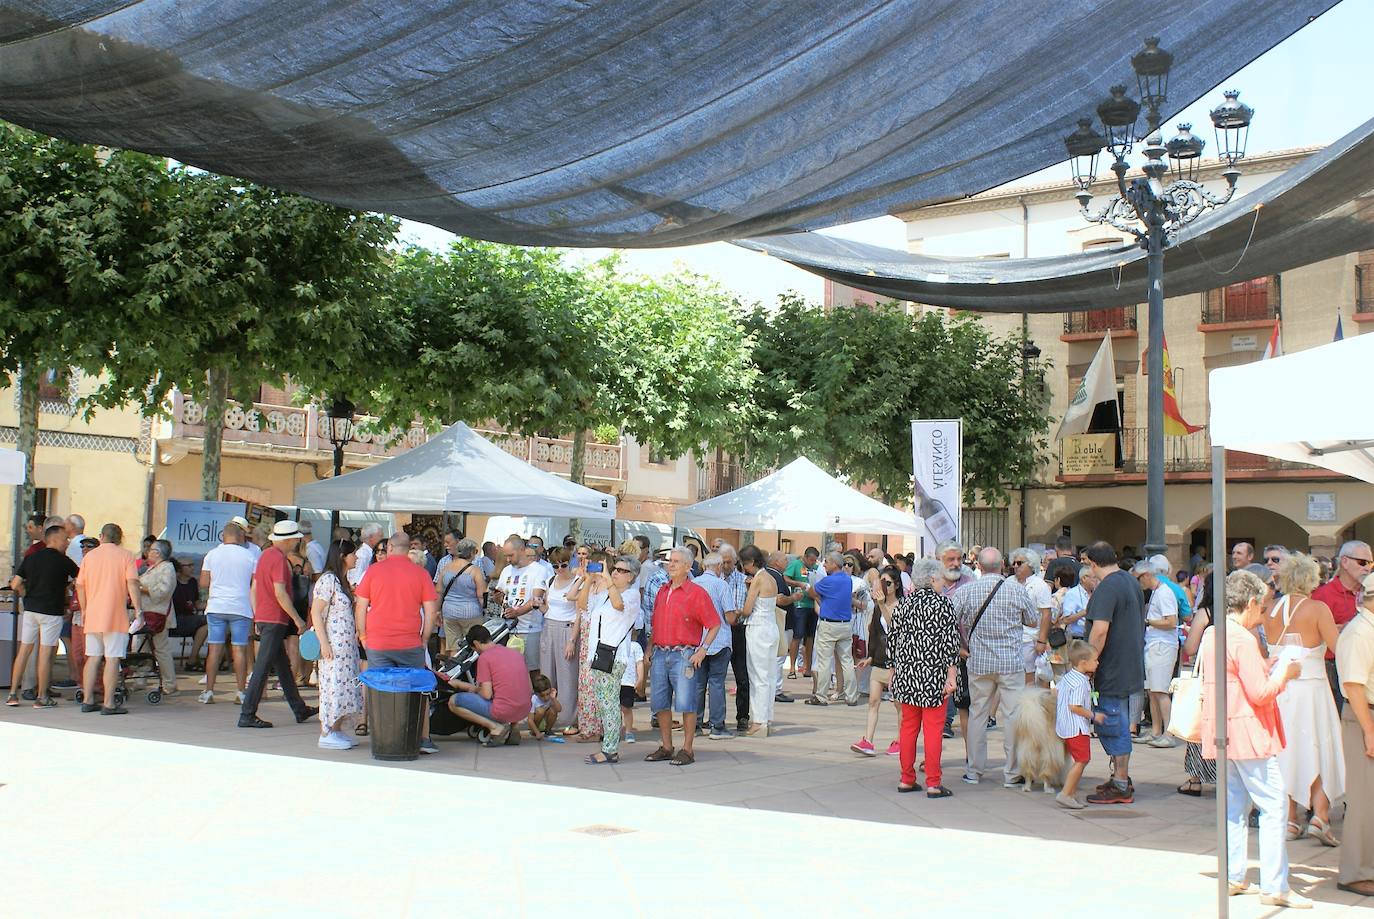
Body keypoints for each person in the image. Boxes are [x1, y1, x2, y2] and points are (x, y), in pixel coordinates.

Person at [1201, 569, 1308, 908]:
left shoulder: (1214, 633)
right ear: (1249, 603)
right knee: (1274, 804)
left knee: (1234, 805)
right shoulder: (1243, 638)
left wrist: (1267, 664)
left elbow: (1232, 678)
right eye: (1261, 607)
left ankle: (1234, 876)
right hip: (1248, 730)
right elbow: (1260, 693)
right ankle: (1275, 885)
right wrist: (1286, 674)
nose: (1262, 614)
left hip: (1224, 728)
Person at [1264, 553, 1344, 847]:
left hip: (1282, 689)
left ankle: (1290, 818)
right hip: (1312, 688)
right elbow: (1337, 648)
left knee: (1285, 751)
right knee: (1319, 748)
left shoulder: (1271, 609)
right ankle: (1320, 816)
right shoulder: (1318, 608)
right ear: (1311, 579)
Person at [953, 547, 1044, 787]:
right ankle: (1012, 772)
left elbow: (950, 621)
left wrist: (962, 647)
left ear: (979, 566)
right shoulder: (1016, 589)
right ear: (1002, 566)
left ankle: (974, 770)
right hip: (1010, 663)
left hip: (978, 661)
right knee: (1012, 716)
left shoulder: (966, 591)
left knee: (977, 714)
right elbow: (1033, 619)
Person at [353, 530, 439, 752]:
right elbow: (431, 612)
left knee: (381, 690)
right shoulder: (420, 574)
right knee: (417, 689)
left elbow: (360, 606)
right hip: (410, 642)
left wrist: (363, 635)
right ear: (410, 548)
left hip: (378, 642)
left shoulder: (373, 571)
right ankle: (423, 738)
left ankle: (385, 738)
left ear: (389, 548)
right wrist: (424, 638)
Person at [889, 558, 960, 798]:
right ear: (931, 579)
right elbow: (951, 644)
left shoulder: (903, 605)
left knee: (908, 728)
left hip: (907, 675)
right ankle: (933, 782)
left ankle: (906, 779)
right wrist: (952, 675)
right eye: (940, 578)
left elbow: (893, 642)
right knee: (932, 730)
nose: (943, 583)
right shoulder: (943, 605)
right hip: (933, 676)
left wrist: (893, 673)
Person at [644, 546, 721, 767]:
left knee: (687, 703)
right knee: (660, 703)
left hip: (684, 653)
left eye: (677, 561)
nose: (671, 564)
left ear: (688, 567)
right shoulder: (663, 590)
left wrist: (702, 649)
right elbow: (656, 623)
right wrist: (650, 648)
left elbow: (714, 624)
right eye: (671, 561)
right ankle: (667, 747)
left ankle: (687, 749)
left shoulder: (696, 593)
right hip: (660, 651)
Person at [1082, 541, 1144, 805]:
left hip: (1112, 666)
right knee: (1115, 719)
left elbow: (1100, 630)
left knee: (1111, 721)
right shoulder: (1130, 582)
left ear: (1092, 564)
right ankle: (1119, 777)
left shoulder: (1107, 587)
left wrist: (1089, 662)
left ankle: (1120, 781)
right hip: (1129, 662)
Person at [238, 521, 317, 730]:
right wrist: (298, 620)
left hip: (266, 617)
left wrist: (257, 616)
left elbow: (254, 588)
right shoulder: (280, 560)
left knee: (282, 667)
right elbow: (280, 593)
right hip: (274, 619)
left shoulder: (265, 556)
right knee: (262, 668)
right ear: (289, 540)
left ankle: (299, 709)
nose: (297, 541)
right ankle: (247, 713)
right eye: (295, 538)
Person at [7, 523, 80, 708]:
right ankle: (42, 697)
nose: (67, 542)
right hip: (51, 612)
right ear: (54, 539)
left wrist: (27, 596)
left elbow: (15, 584)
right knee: (45, 654)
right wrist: (67, 588)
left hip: (31, 610)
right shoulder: (64, 561)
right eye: (65, 539)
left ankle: (13, 694)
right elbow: (80, 580)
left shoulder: (32, 558)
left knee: (24, 651)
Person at [1335, 572, 1374, 896]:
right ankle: (1355, 872)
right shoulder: (1360, 632)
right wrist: (1370, 731)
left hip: (1367, 717)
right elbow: (1353, 686)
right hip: (1365, 717)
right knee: (1362, 801)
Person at [75, 524, 141, 715]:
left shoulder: (90, 557)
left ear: (101, 536)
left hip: (93, 615)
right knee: (112, 659)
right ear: (120, 538)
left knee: (93, 658)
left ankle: (88, 700)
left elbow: (80, 585)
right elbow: (132, 583)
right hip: (115, 615)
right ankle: (109, 703)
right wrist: (138, 610)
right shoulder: (126, 556)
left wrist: (85, 608)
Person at [584, 555, 641, 764]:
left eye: (620, 570)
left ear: (631, 576)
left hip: (614, 656)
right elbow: (583, 606)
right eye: (614, 568)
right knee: (603, 702)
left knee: (609, 703)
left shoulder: (633, 595)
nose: (615, 572)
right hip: (599, 655)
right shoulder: (605, 595)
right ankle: (608, 747)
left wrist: (606, 578)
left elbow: (619, 605)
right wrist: (589, 579)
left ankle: (610, 750)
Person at [310, 539, 364, 750]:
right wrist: (324, 643)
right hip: (334, 644)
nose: (356, 558)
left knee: (344, 686)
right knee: (333, 685)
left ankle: (337, 728)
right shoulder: (328, 580)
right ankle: (327, 730)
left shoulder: (342, 580)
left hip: (346, 646)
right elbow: (316, 611)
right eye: (353, 554)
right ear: (343, 556)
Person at [443, 624, 533, 746]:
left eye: (473, 648)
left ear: (476, 643)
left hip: (503, 711)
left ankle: (495, 727)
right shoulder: (515, 653)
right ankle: (514, 727)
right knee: (510, 690)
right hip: (524, 708)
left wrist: (467, 687)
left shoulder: (485, 658)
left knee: (454, 701)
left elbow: (486, 694)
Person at [198, 520, 256, 704]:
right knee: (239, 649)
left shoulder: (212, 554)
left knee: (214, 649)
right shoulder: (249, 556)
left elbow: (204, 583)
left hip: (216, 606)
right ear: (240, 536)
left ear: (223, 536)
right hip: (241, 607)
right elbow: (255, 583)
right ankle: (240, 692)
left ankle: (208, 692)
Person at [1315, 540, 1373, 711]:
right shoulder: (1323, 595)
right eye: (1362, 562)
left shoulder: (1369, 591)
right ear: (1345, 562)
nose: (1367, 568)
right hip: (1336, 671)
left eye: (1371, 563)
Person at [853, 565, 903, 756]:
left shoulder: (902, 606)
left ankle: (900, 740)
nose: (884, 586)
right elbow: (874, 633)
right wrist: (869, 657)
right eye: (881, 582)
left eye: (888, 583)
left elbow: (895, 627)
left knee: (899, 705)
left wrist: (882, 605)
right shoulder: (876, 608)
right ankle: (868, 740)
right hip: (880, 660)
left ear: (896, 585)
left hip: (898, 663)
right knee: (873, 701)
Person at [1131, 559, 1178, 749]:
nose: (1138, 583)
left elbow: (1171, 622)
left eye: (1138, 579)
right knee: (1152, 691)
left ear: (1147, 575)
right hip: (1153, 645)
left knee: (1160, 690)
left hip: (1162, 645)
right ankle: (1157, 730)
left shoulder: (1165, 593)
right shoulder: (1156, 592)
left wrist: (1149, 622)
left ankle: (1169, 732)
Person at [692, 552, 738, 740]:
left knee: (698, 684)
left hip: (697, 641)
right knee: (717, 683)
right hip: (719, 639)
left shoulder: (693, 584)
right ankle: (717, 726)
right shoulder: (722, 585)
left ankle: (694, 723)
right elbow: (729, 616)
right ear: (718, 567)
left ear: (703, 566)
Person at [1054, 639, 1103, 809]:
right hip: (1077, 728)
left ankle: (1071, 793)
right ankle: (1066, 794)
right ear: (1083, 663)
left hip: (1065, 726)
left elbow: (1056, 691)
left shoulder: (1068, 677)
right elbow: (1074, 706)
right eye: (1095, 660)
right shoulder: (1081, 682)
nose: (1098, 663)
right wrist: (1093, 715)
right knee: (1082, 760)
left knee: (1079, 759)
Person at [806, 551, 860, 707]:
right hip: (845, 624)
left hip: (829, 624)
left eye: (827, 562)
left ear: (835, 564)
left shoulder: (828, 581)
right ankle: (851, 695)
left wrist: (817, 595)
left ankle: (821, 696)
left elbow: (811, 592)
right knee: (847, 661)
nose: (824, 564)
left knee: (824, 661)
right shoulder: (847, 579)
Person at [739, 545, 779, 737]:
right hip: (771, 627)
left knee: (757, 676)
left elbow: (747, 609)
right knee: (769, 675)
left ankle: (759, 721)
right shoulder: (771, 577)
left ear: (752, 562)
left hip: (758, 628)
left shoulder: (758, 579)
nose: (744, 568)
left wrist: (739, 609)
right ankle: (767, 718)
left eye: (744, 564)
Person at [495, 540, 549, 677]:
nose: (508, 559)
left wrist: (517, 612)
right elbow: (501, 594)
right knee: (510, 671)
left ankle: (534, 698)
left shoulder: (539, 570)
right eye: (506, 556)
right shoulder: (507, 570)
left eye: (511, 555)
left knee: (532, 670)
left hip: (530, 629)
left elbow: (537, 599)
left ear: (521, 550)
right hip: (508, 629)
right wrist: (499, 599)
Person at [538, 546, 579, 725]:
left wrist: (572, 640)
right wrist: (538, 605)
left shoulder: (577, 581)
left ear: (569, 562)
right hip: (549, 626)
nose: (560, 569)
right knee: (547, 675)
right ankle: (546, 717)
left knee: (567, 676)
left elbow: (579, 614)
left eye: (563, 565)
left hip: (567, 628)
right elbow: (547, 607)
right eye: (555, 566)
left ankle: (567, 718)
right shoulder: (550, 580)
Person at [137, 539, 180, 695]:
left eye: (151, 549)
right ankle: (140, 679)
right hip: (144, 615)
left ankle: (170, 684)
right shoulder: (150, 568)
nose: (148, 551)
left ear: (158, 553)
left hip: (158, 615)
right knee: (141, 647)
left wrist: (141, 588)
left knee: (161, 650)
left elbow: (163, 591)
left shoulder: (167, 569)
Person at [719, 544, 751, 731]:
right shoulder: (715, 579)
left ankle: (742, 716)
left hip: (738, 629)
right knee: (716, 678)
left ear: (735, 561)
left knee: (742, 675)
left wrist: (737, 612)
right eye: (722, 562)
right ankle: (717, 718)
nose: (725, 566)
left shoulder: (743, 580)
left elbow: (746, 606)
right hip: (720, 630)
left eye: (728, 562)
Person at [1010, 548, 1053, 686]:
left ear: (1030, 565)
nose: (1015, 566)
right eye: (1014, 563)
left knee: (1028, 678)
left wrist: (1041, 641)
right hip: (1010, 638)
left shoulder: (1039, 585)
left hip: (1030, 638)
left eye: (1019, 563)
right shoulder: (1009, 582)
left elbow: (1046, 614)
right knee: (1011, 678)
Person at [437, 537, 488, 650]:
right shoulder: (475, 570)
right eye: (475, 551)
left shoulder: (446, 568)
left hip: (449, 612)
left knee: (453, 646)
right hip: (471, 612)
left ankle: (455, 667)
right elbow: (481, 595)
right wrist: (485, 610)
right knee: (474, 646)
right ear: (470, 552)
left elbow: (439, 591)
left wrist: (437, 611)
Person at [784, 547, 819, 679]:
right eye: (811, 560)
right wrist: (798, 583)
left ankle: (807, 667)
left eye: (814, 560)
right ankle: (792, 667)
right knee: (797, 635)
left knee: (810, 637)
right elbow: (786, 578)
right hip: (799, 605)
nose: (812, 563)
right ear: (805, 557)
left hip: (812, 603)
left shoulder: (816, 567)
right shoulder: (795, 564)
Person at [526, 674, 561, 741]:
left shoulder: (551, 696)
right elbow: (530, 720)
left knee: (553, 710)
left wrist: (554, 698)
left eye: (547, 694)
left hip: (545, 722)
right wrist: (537, 733)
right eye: (542, 695)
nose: (546, 698)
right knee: (540, 711)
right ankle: (534, 732)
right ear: (536, 693)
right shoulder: (533, 700)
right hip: (535, 725)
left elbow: (559, 709)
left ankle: (548, 730)